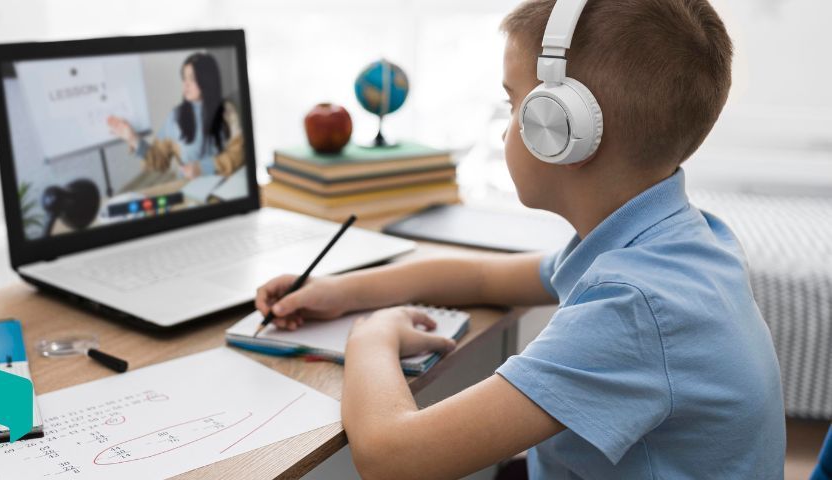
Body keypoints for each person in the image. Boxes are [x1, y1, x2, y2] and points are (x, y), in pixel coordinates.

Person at [255, 0, 786, 478]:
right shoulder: (675, 239)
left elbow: (390, 456)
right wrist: (341, 291)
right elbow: (485, 276)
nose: (508, 127)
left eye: (515, 106)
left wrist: (371, 335)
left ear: (561, 131)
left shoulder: (635, 308)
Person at [107, 52, 244, 179]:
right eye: (184, 78)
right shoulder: (176, 117)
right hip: (190, 188)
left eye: (192, 78)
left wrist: (203, 167)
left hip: (226, 183)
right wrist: (133, 139)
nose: (186, 84)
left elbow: (238, 154)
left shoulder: (227, 110)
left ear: (207, 79)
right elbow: (160, 159)